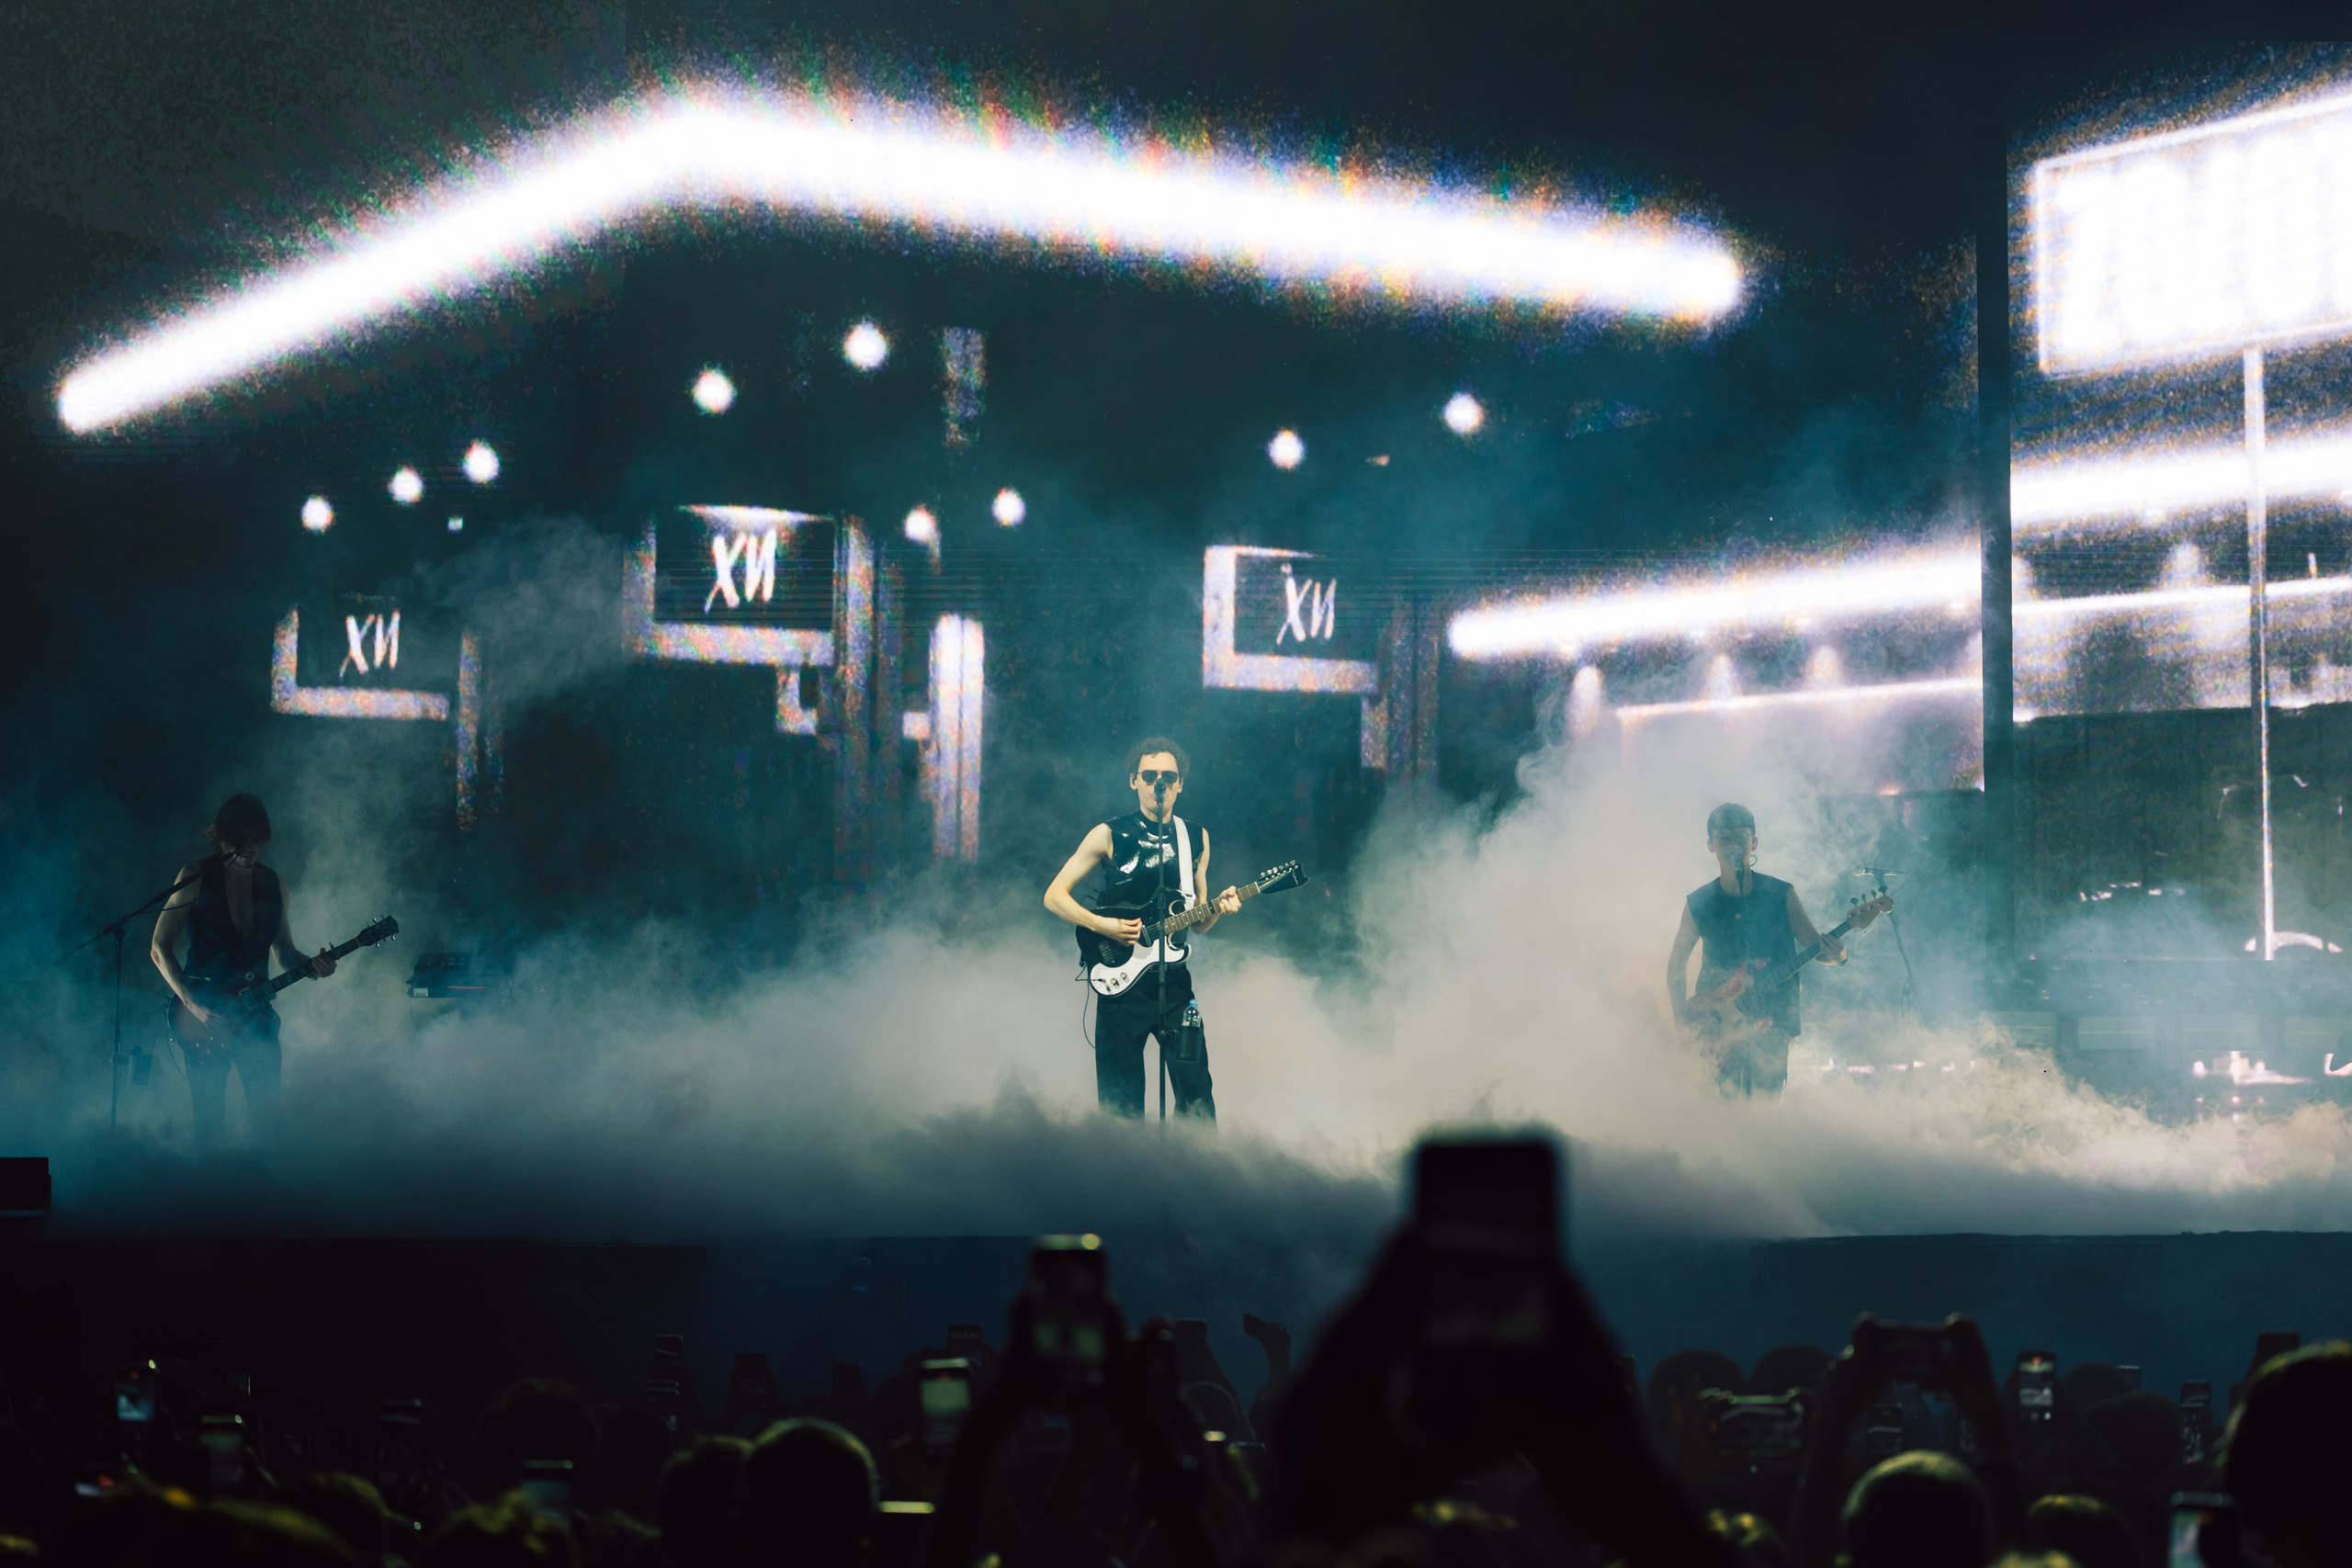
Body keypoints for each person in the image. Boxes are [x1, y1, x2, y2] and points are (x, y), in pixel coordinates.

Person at [1043, 738, 1241, 1120]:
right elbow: (1054, 896)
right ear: (1134, 781)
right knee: (1121, 1107)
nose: (1159, 784)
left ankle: (1196, 1176)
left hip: (1176, 986)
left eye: (1168, 776)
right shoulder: (1108, 834)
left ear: (1180, 783)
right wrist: (1104, 925)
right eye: (1150, 776)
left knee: (1197, 1097)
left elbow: (1198, 924)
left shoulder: (1195, 837)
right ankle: (1127, 1180)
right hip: (1122, 988)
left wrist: (1219, 908)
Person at [150, 794, 335, 1145]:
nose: (251, 848)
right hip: (207, 1017)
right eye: (242, 840)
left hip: (258, 1018)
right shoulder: (195, 876)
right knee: (208, 1126)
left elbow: (283, 951)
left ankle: (264, 1194)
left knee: (268, 1121)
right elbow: (159, 948)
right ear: (224, 837)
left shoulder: (273, 883)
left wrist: (314, 966)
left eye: (257, 840)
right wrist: (192, 1003)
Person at [1665, 802, 1844, 1095]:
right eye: (1724, 838)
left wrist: (1840, 955)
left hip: (1773, 1017)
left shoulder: (1780, 895)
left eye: (1741, 838)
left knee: (1766, 1103)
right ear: (1711, 844)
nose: (1733, 845)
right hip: (1716, 1022)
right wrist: (1682, 1022)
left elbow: (1818, 949)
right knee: (1719, 1103)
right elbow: (1675, 968)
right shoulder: (1699, 904)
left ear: (1754, 842)